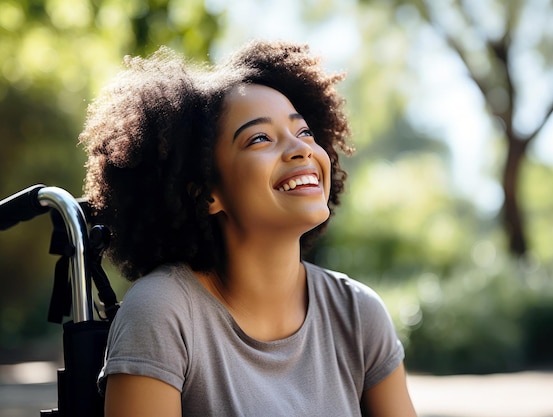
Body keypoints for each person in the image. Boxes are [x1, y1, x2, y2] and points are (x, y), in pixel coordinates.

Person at [80, 39, 417, 417]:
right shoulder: (162, 313)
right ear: (207, 194)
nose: (301, 149)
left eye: (304, 132)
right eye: (260, 138)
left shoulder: (358, 312)